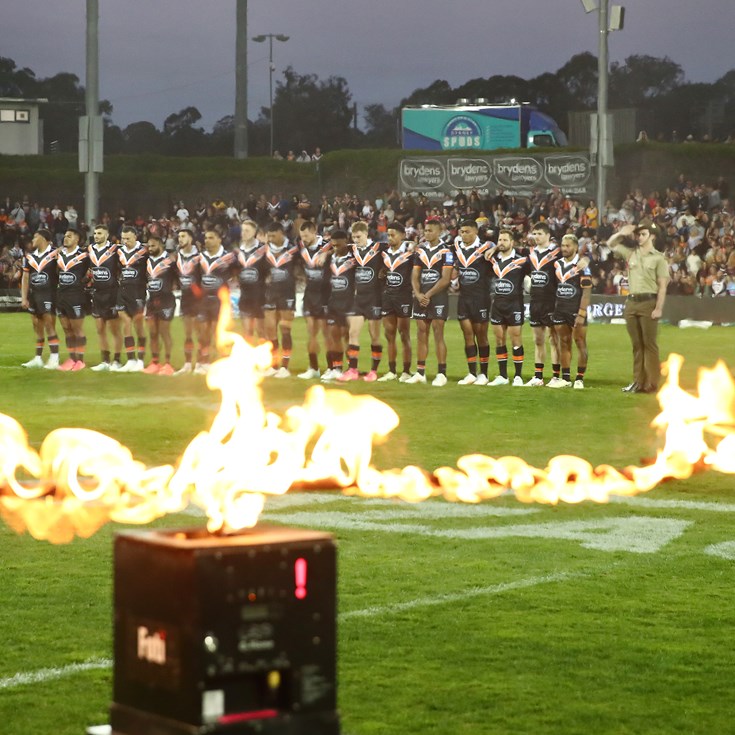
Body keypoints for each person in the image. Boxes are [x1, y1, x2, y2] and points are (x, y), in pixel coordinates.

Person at [607, 219, 669, 393]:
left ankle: (652, 383)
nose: (639, 237)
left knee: (649, 344)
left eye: (643, 234)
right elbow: (610, 244)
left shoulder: (659, 258)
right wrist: (621, 233)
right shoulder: (631, 253)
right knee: (636, 345)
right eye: (638, 234)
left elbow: (663, 286)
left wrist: (658, 308)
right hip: (632, 302)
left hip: (649, 302)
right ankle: (638, 381)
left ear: (653, 236)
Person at [407, 216, 454, 386]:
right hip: (421, 297)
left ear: (439, 231)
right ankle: (420, 372)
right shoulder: (420, 251)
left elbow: (446, 278)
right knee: (421, 332)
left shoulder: (447, 252)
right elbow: (415, 275)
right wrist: (418, 293)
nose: (426, 233)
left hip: (438, 296)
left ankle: (441, 373)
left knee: (438, 332)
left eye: (430, 230)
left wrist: (428, 294)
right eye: (425, 230)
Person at [340, 221, 384, 382]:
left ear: (366, 234)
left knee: (374, 336)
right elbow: (333, 248)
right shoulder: (352, 250)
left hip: (374, 299)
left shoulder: (379, 248)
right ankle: (352, 369)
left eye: (359, 236)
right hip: (358, 299)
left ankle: (374, 371)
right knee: (353, 332)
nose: (356, 240)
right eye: (354, 237)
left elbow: (400, 247)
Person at [548, 234, 592, 389]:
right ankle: (565, 378)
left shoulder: (582, 266)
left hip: (575, 310)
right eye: (563, 245)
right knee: (564, 343)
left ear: (575, 247)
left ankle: (579, 378)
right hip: (560, 310)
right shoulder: (557, 264)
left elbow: (587, 291)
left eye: (568, 246)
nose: (565, 248)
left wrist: (581, 313)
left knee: (580, 342)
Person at [452, 218, 493, 385]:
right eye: (461, 232)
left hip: (481, 298)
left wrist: (495, 247)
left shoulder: (486, 247)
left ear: (476, 231)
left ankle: (484, 374)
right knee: (467, 335)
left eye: (467, 231)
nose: (464, 235)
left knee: (481, 335)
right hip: (464, 298)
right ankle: (471, 373)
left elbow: (499, 247)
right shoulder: (457, 248)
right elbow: (455, 268)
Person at [487, 229, 529, 386]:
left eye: (505, 240)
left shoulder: (522, 261)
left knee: (516, 339)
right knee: (499, 340)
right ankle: (503, 376)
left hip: (514, 305)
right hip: (497, 305)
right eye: (500, 240)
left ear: (512, 243)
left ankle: (518, 376)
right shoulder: (492, 259)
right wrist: (493, 248)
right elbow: (485, 246)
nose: (501, 243)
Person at [372, 221, 413, 383]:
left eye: (393, 235)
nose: (389, 238)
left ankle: (407, 371)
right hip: (388, 297)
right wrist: (382, 273)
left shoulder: (411, 254)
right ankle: (391, 370)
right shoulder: (384, 254)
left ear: (402, 235)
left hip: (404, 298)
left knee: (404, 335)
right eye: (388, 235)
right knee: (389, 335)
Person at [196, 228, 238, 374]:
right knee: (203, 333)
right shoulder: (200, 257)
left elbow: (237, 272)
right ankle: (204, 361)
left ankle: (221, 362)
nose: (207, 240)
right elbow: (195, 278)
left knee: (218, 332)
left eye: (211, 237)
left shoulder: (229, 257)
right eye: (206, 237)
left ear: (219, 239)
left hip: (220, 302)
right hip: (204, 301)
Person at [525, 222, 561, 386]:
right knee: (538, 340)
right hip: (535, 302)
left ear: (548, 235)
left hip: (551, 302)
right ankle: (538, 376)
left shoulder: (557, 253)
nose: (536, 237)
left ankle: (556, 376)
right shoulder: (530, 254)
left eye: (540, 234)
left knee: (554, 340)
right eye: (535, 233)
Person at [262, 221, 299, 378]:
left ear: (280, 232)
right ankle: (273, 365)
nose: (269, 238)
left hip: (287, 293)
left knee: (285, 328)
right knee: (270, 328)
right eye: (268, 236)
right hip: (270, 293)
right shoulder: (265, 251)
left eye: (272, 235)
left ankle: (284, 367)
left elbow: (302, 264)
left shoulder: (294, 248)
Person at [20, 227, 60, 369]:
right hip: (34, 294)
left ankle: (55, 357)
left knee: (49, 324)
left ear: (43, 238)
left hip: (49, 294)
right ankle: (38, 358)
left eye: (35, 237)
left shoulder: (56, 254)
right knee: (37, 325)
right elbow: (25, 278)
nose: (32, 240)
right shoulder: (29, 257)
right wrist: (24, 298)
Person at [297, 220, 331, 379]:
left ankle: (332, 367)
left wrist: (327, 253)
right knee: (311, 332)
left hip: (325, 294)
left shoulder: (327, 245)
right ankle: (313, 368)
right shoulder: (300, 246)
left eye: (306, 235)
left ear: (314, 231)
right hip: (310, 293)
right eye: (301, 236)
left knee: (326, 333)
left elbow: (344, 246)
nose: (303, 238)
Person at [88, 223, 123, 371]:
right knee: (100, 329)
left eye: (100, 233)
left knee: (114, 330)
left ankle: (117, 360)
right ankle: (105, 361)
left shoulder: (115, 250)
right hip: (97, 294)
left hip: (112, 294)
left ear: (107, 235)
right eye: (95, 233)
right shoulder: (90, 249)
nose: (96, 236)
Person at [55, 226, 90, 371]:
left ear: (77, 239)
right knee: (66, 328)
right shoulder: (59, 255)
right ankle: (71, 358)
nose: (65, 238)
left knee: (77, 329)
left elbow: (92, 270)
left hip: (76, 296)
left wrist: (84, 281)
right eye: (65, 235)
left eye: (69, 236)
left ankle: (80, 361)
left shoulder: (84, 255)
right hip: (61, 295)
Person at [142, 233, 176, 375]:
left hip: (166, 301)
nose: (150, 248)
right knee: (153, 333)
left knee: (164, 332)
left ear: (161, 245)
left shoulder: (170, 260)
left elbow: (179, 275)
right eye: (149, 245)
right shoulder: (147, 261)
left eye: (153, 245)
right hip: (152, 301)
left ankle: (168, 364)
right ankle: (155, 362)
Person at [323, 229, 355, 381]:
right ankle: (336, 368)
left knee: (347, 336)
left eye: (338, 245)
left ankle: (350, 368)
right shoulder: (329, 259)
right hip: (333, 302)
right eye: (333, 245)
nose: (335, 248)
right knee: (333, 335)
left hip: (349, 303)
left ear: (345, 241)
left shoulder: (354, 258)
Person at [116, 225, 148, 372]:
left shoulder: (144, 251)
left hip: (138, 293)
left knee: (138, 325)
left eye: (128, 238)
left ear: (136, 237)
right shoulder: (119, 251)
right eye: (123, 238)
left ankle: (140, 360)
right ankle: (130, 360)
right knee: (126, 321)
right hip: (123, 291)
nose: (125, 241)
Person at [173, 227, 202, 374]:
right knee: (188, 333)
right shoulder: (177, 256)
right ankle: (187, 363)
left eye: (183, 236)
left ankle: (200, 364)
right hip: (185, 298)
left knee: (200, 333)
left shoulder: (200, 257)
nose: (180, 239)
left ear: (191, 239)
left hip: (198, 299)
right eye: (179, 237)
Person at [234, 219, 268, 345]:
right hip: (245, 296)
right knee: (247, 332)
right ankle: (249, 362)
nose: (244, 233)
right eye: (242, 230)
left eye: (247, 230)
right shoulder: (237, 252)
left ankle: (264, 362)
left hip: (260, 296)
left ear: (255, 232)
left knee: (261, 331)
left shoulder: (263, 250)